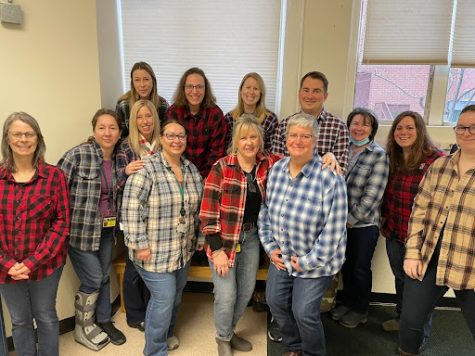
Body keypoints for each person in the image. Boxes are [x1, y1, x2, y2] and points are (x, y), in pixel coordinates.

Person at [269, 70, 349, 341]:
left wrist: (309, 261)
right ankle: (293, 344)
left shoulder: (331, 177)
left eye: (305, 136)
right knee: (277, 303)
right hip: (283, 253)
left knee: (304, 311)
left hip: (315, 260)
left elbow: (334, 230)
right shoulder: (277, 170)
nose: (298, 141)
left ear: (316, 141)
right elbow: (265, 214)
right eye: (294, 136)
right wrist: (272, 249)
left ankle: (313, 350)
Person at [121, 118, 204, 356]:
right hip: (152, 252)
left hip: (181, 250)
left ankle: (167, 332)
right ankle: (155, 349)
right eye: (170, 135)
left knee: (176, 296)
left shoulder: (191, 170)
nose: (176, 140)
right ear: (162, 139)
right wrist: (139, 245)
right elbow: (130, 208)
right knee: (164, 298)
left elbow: (198, 209)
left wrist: (199, 238)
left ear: (186, 141)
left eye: (181, 136)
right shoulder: (146, 167)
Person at [200, 115, 281, 356]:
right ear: (236, 140)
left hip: (252, 238)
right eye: (243, 137)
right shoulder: (221, 167)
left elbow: (300, 159)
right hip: (223, 241)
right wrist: (217, 251)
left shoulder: (270, 163)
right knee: (226, 295)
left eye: (253, 136)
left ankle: (230, 330)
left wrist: (327, 157)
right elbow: (207, 212)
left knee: (245, 292)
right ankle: (223, 338)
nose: (249, 142)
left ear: (261, 139)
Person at [398, 105, 475, 356]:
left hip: (469, 262)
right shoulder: (440, 166)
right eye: (462, 127)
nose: (466, 132)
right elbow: (419, 210)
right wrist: (412, 253)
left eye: (473, 127)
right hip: (430, 254)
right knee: (410, 321)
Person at [0, 112, 70, 356]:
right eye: (17, 134)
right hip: (5, 267)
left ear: (38, 139)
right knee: (19, 321)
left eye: (29, 134)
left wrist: (31, 262)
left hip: (46, 265)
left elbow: (61, 223)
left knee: (46, 317)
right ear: (7, 139)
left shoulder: (54, 176)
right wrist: (8, 263)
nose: (23, 139)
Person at [58, 109, 126, 350]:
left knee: (105, 275)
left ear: (119, 133)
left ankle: (104, 320)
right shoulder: (77, 155)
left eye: (113, 128)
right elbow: (55, 190)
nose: (107, 132)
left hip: (107, 229)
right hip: (80, 231)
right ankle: (82, 327)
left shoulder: (120, 159)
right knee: (94, 278)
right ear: (94, 130)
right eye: (102, 127)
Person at [380, 111, 444, 347]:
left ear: (420, 131)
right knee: (401, 280)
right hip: (395, 233)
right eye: (399, 128)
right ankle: (402, 318)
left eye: (409, 128)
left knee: (419, 291)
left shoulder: (435, 161)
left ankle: (417, 337)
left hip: (422, 240)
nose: (403, 133)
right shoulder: (393, 158)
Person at [329, 108, 389, 328]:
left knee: (360, 267)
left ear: (372, 129)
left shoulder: (378, 155)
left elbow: (373, 196)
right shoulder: (342, 149)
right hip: (338, 223)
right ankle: (347, 302)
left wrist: (349, 220)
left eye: (365, 124)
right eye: (355, 123)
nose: (359, 128)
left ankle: (361, 308)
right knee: (345, 266)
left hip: (363, 224)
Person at [116, 100, 160, 334]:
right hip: (134, 215)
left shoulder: (163, 144)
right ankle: (135, 314)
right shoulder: (126, 147)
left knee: (152, 264)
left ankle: (151, 309)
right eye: (140, 117)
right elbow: (116, 183)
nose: (145, 121)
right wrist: (125, 171)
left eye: (149, 116)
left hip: (159, 216)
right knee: (134, 266)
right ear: (133, 121)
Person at [271, 70, 349, 173]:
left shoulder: (339, 128)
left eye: (316, 91)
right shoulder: (283, 126)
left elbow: (339, 171)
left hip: (320, 188)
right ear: (299, 94)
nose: (310, 96)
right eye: (306, 90)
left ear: (325, 96)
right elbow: (277, 166)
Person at [166, 67, 227, 178]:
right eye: (190, 86)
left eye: (199, 87)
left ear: (205, 89)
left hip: (207, 175)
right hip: (178, 173)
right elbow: (169, 147)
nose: (194, 91)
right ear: (183, 89)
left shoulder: (215, 114)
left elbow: (217, 153)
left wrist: (203, 178)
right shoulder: (173, 112)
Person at [224, 72, 278, 152]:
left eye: (256, 88)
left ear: (261, 93)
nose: (251, 92)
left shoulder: (270, 120)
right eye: (248, 87)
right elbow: (226, 149)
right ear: (241, 90)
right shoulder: (229, 118)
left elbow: (272, 152)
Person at [116, 61, 169, 138]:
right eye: (137, 80)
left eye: (146, 79)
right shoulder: (123, 104)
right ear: (132, 83)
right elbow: (119, 136)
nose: (142, 85)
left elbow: (166, 136)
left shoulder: (163, 105)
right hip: (129, 148)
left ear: (153, 81)